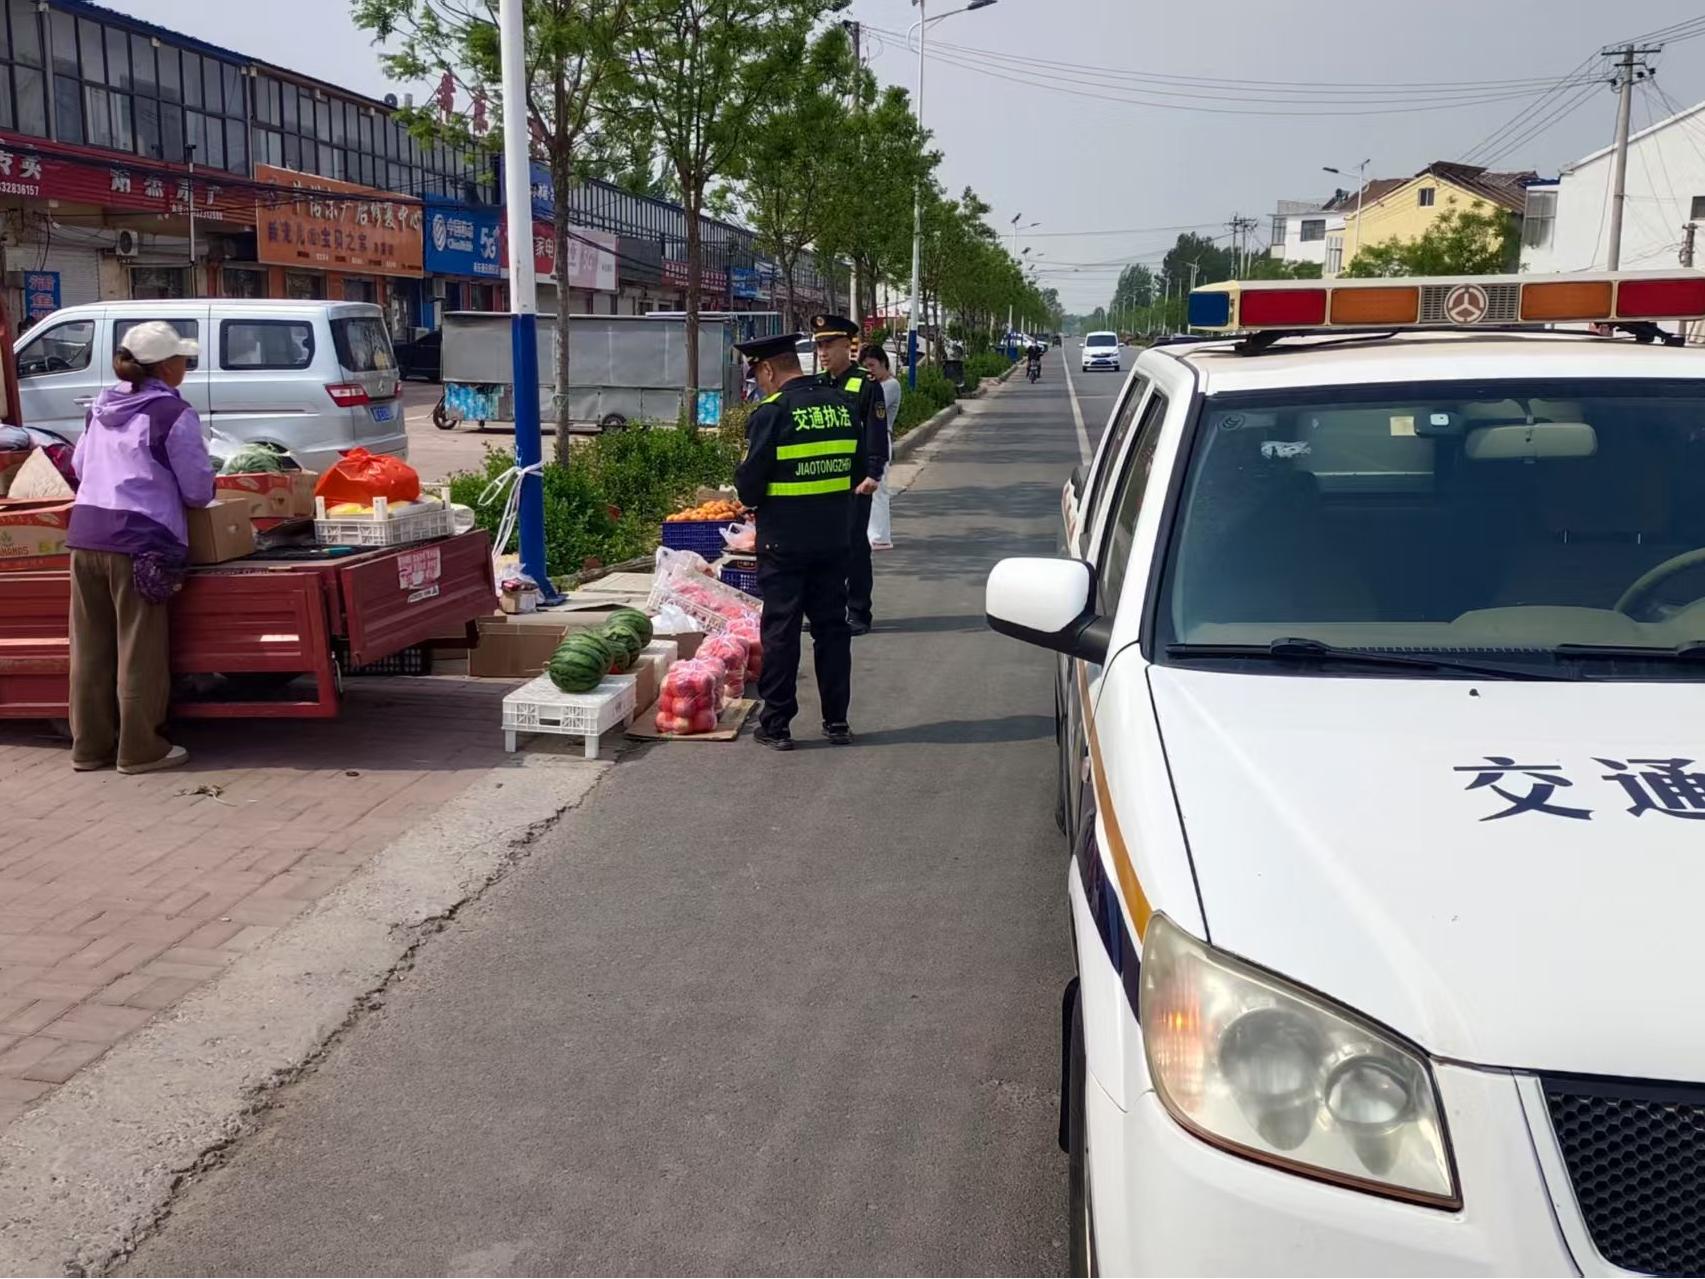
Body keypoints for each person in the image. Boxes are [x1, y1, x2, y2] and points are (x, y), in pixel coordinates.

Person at [67, 320, 214, 774]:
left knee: (90, 649)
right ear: (166, 367)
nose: (185, 366)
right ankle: (140, 749)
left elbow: (78, 466)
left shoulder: (100, 408)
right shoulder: (172, 414)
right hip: (139, 541)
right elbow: (198, 491)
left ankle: (89, 748)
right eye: (182, 359)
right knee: (139, 648)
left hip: (86, 533)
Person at [734, 332, 871, 752]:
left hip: (784, 544)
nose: (759, 385)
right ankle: (837, 721)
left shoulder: (773, 412)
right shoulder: (843, 406)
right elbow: (856, 472)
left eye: (757, 376)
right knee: (832, 629)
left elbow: (749, 489)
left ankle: (777, 725)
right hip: (833, 539)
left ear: (768, 370)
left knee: (782, 631)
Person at [812, 314, 887, 635]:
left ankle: (858, 612)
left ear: (847, 345)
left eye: (829, 345)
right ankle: (827, 609)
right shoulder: (817, 384)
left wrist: (874, 472)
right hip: (820, 480)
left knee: (854, 547)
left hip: (854, 481)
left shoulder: (866, 384)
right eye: (819, 346)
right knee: (821, 547)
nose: (823, 352)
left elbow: (876, 431)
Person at [860, 343, 900, 551]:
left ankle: (880, 536)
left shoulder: (890, 385)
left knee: (879, 489)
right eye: (865, 366)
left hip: (881, 438)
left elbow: (870, 405)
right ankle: (871, 533)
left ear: (883, 363)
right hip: (867, 438)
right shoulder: (873, 385)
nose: (869, 370)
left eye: (872, 365)